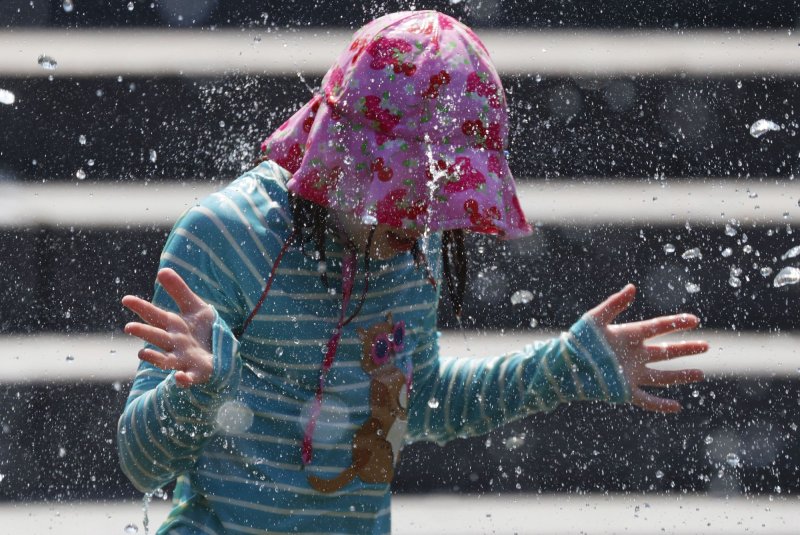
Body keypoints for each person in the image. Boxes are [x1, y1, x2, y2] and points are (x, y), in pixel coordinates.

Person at [117, 10, 708, 534]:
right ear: (348, 156)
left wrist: (561, 368)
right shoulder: (230, 238)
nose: (426, 215)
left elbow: (416, 404)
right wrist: (198, 393)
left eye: (442, 193)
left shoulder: (408, 255)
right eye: (411, 190)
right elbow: (140, 464)